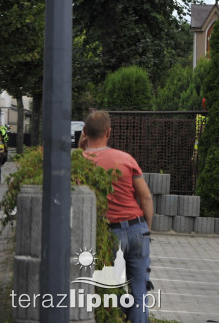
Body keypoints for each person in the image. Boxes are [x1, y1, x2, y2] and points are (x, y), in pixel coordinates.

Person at [81, 110, 154, 323]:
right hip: (137, 229)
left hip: (109, 234)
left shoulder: (81, 162)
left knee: (111, 290)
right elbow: (146, 197)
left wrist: (80, 149)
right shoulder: (126, 159)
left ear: (85, 131)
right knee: (140, 289)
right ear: (109, 132)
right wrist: (146, 230)